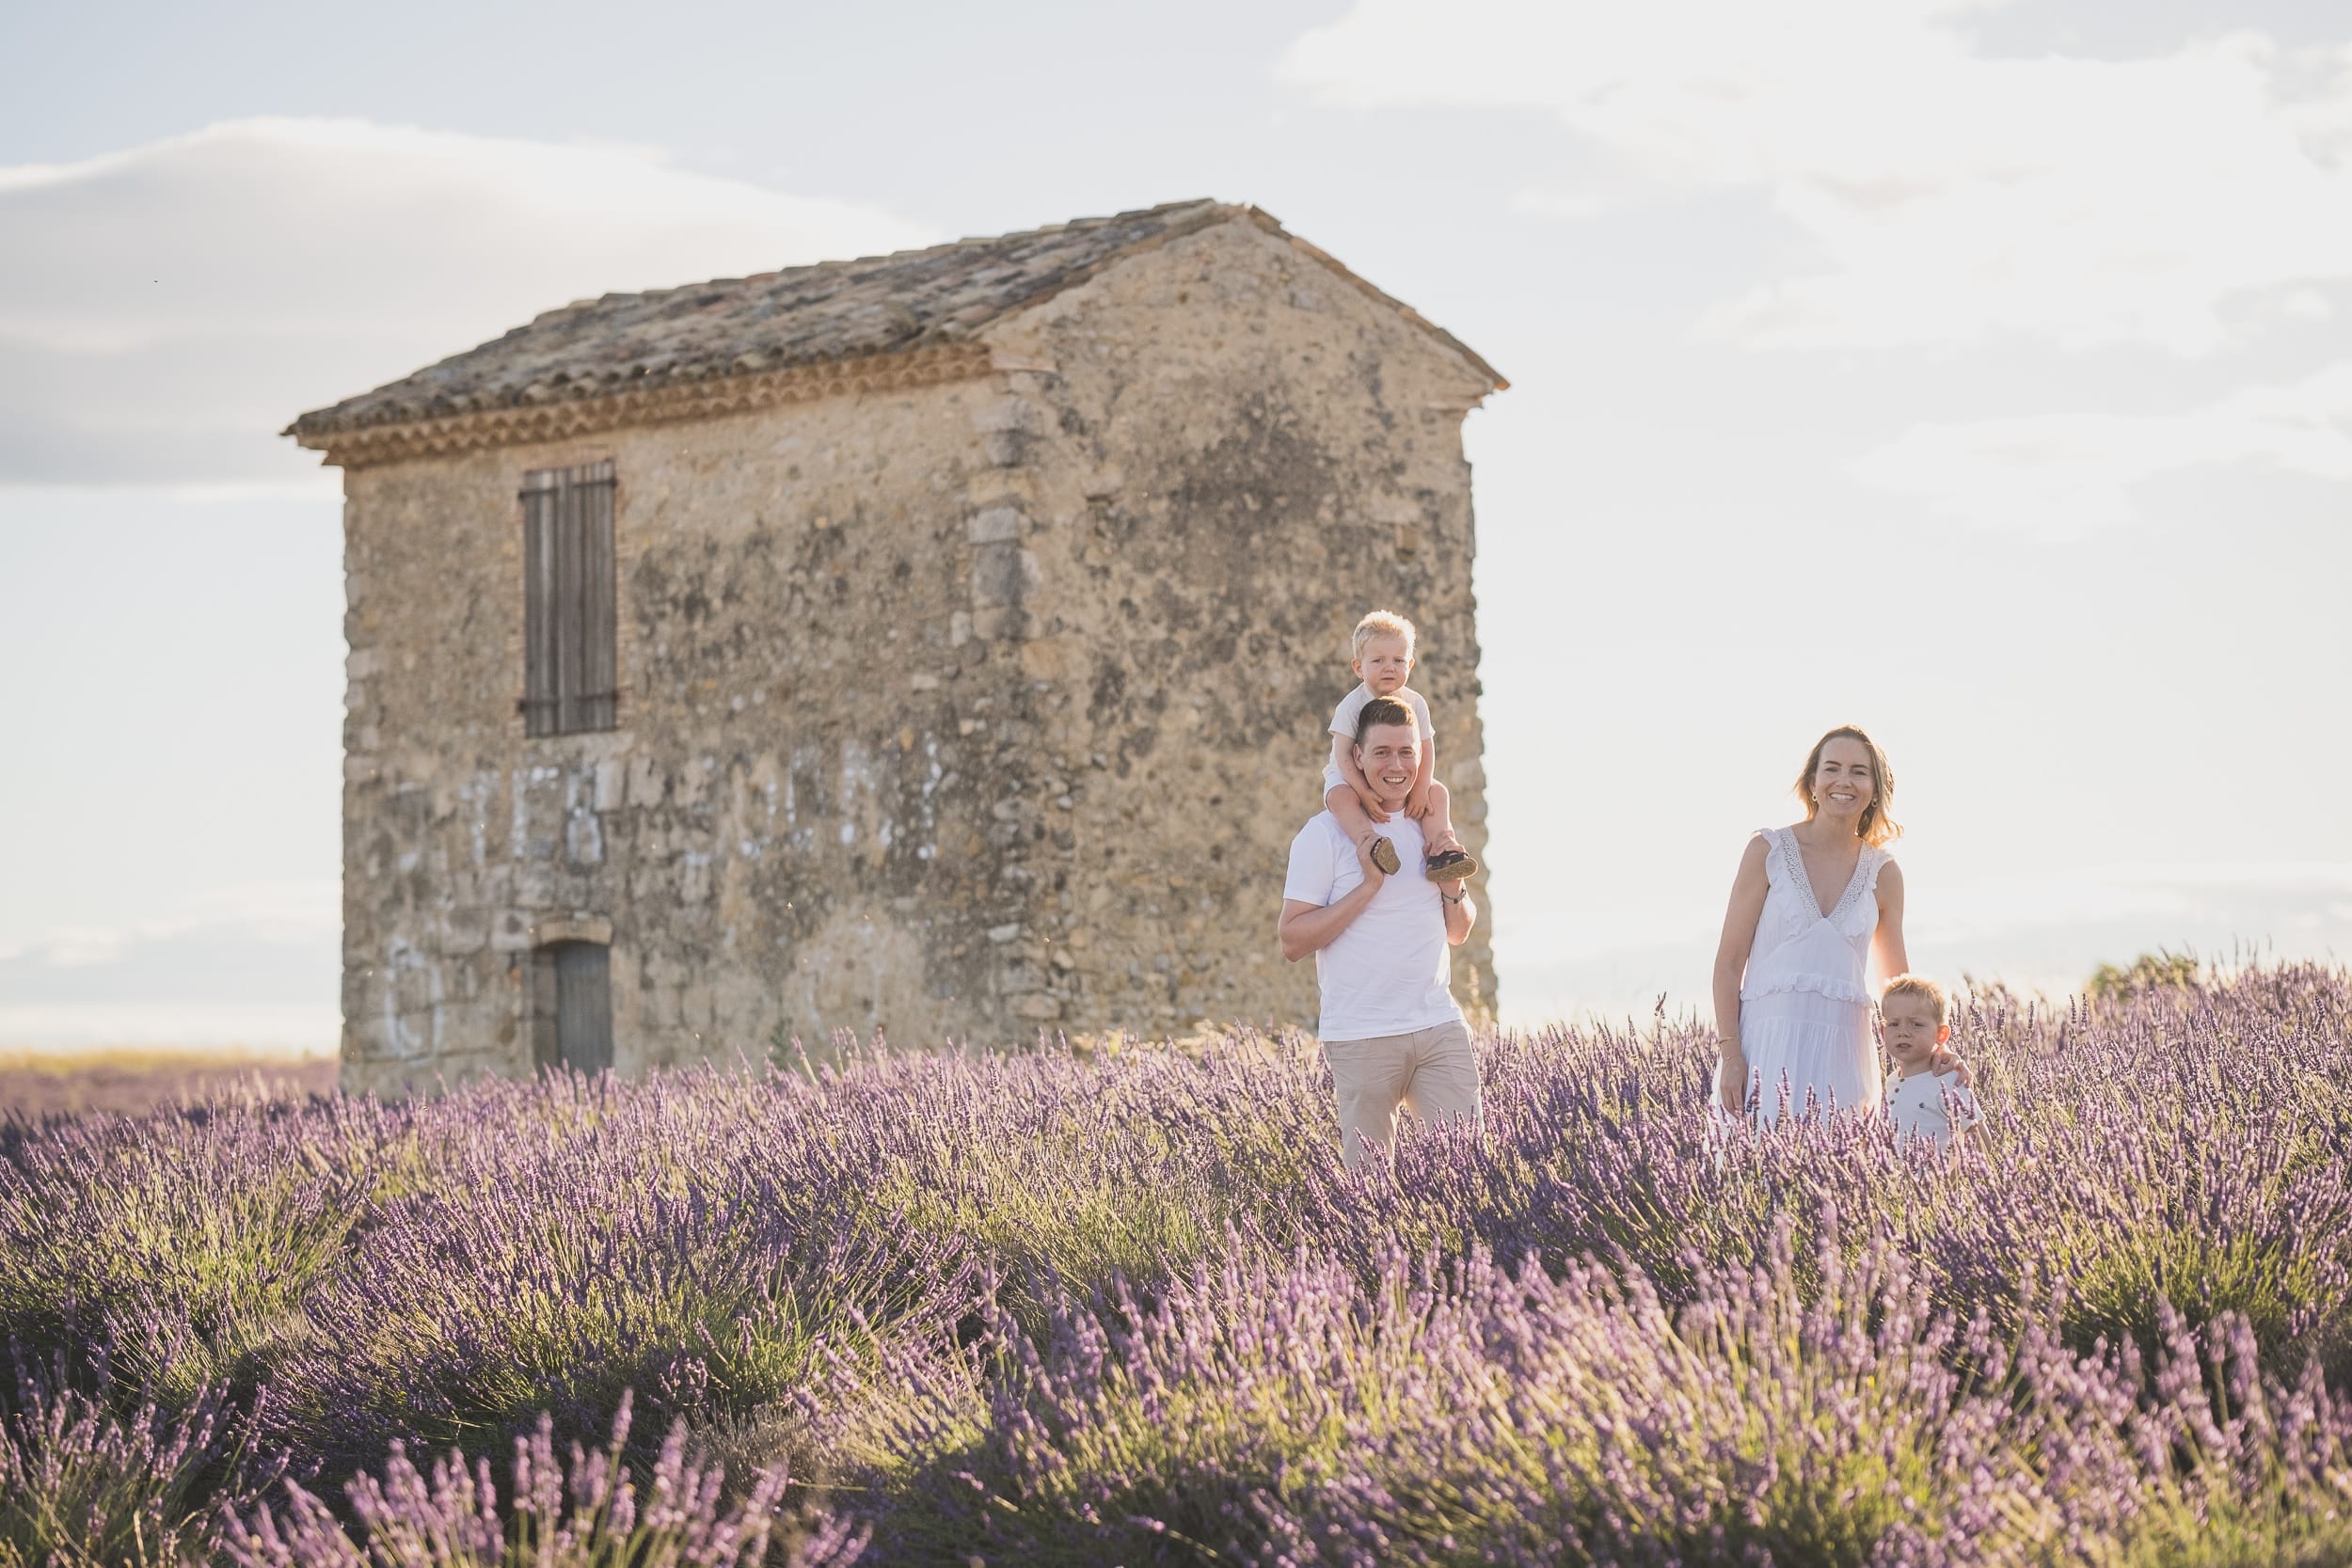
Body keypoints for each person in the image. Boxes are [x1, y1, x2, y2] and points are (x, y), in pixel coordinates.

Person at [1279, 694, 1481, 1169]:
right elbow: (1291, 940)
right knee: (1368, 1193)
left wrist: (1453, 887)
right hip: (1362, 1035)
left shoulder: (1431, 825)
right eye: (1383, 753)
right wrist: (1369, 886)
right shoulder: (1324, 835)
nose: (1397, 765)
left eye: (1407, 751)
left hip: (1438, 1028)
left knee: (1470, 1174)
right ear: (1357, 759)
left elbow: (1458, 931)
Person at [1711, 724, 1910, 1126]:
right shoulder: (1767, 852)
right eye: (1832, 768)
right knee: (1749, 1181)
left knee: (1836, 1184)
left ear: (1875, 788)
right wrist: (1731, 1054)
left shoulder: (1884, 873)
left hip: (1844, 1059)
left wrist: (1934, 1055)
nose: (1844, 781)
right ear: (1813, 782)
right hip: (1765, 1051)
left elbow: (1898, 987)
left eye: (1859, 771)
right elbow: (1729, 964)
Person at [1323, 610, 1477, 882]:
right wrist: (1363, 791)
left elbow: (1426, 749)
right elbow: (1343, 756)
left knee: (1438, 793)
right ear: (1359, 667)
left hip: (1398, 773)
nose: (1389, 667)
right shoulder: (1351, 706)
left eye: (1398, 660)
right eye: (1378, 660)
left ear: (1411, 664)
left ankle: (1440, 849)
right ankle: (1370, 843)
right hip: (1350, 776)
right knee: (1339, 798)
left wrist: (1421, 788)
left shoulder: (1415, 702)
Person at [1880, 974, 1981, 1150]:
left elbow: (1980, 1141)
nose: (1903, 1032)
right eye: (1894, 1024)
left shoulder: (1950, 1082)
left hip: (1940, 1177)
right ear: (1882, 1032)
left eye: (1916, 1024)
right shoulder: (1891, 1082)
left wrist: (1955, 1176)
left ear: (1941, 1034)